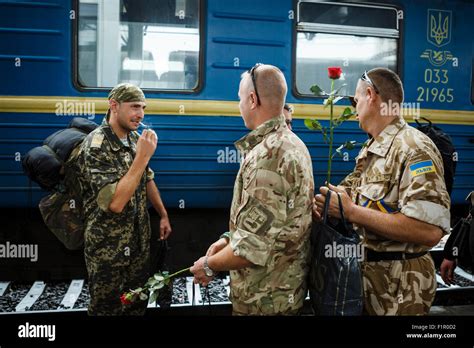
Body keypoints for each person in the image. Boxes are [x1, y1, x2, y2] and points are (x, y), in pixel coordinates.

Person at [314, 68, 450, 315]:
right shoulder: (373, 148)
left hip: (401, 289)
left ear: (370, 95)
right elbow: (351, 194)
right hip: (372, 283)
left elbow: (429, 230)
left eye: (355, 100)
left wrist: (352, 212)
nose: (354, 108)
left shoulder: (414, 148)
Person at [190, 64, 314, 315]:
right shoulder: (292, 143)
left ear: (252, 99)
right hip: (284, 291)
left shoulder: (269, 157)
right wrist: (228, 239)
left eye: (239, 98)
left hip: (265, 300)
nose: (239, 105)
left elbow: (251, 248)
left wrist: (209, 265)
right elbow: (273, 222)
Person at [76, 83, 172, 315]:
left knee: (136, 306)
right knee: (106, 310)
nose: (140, 114)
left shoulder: (133, 139)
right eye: (134, 107)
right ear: (114, 106)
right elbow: (115, 204)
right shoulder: (96, 146)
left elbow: (147, 179)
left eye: (143, 107)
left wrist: (163, 215)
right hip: (108, 249)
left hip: (137, 245)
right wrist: (142, 157)